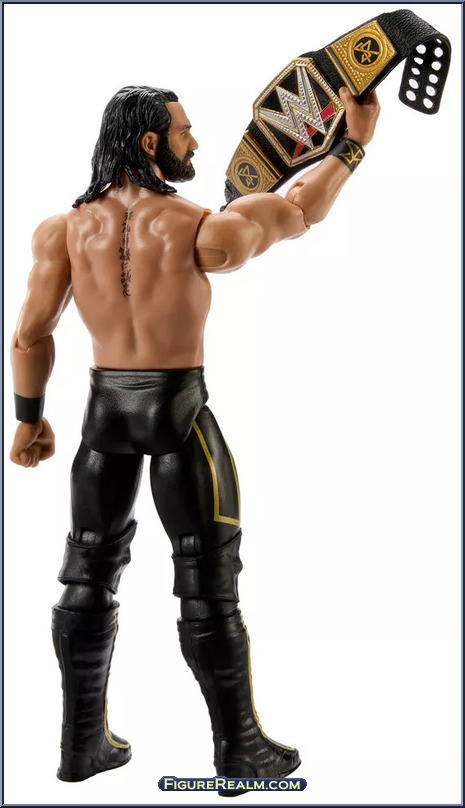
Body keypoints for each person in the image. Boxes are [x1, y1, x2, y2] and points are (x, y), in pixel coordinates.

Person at [10, 84, 379, 787]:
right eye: (184, 131)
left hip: (103, 420)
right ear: (150, 142)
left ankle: (80, 747)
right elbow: (300, 210)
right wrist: (353, 146)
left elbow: (29, 334)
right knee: (208, 583)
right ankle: (240, 750)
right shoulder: (199, 228)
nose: (196, 143)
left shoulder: (63, 230)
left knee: (86, 575)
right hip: (177, 416)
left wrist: (29, 417)